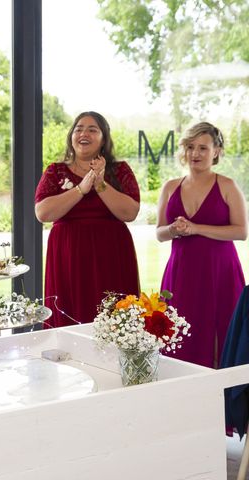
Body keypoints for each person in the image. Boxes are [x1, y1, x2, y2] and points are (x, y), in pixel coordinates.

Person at [34, 111, 140, 328]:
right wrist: (81, 189)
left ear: (103, 139)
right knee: (69, 311)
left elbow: (129, 213)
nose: (84, 133)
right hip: (67, 254)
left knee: (113, 317)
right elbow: (43, 213)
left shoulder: (119, 170)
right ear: (71, 136)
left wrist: (100, 184)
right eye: (79, 128)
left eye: (93, 130)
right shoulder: (55, 171)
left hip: (111, 254)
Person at [157, 122, 247, 368]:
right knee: (179, 335)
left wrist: (196, 229)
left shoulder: (227, 185)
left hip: (220, 271)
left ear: (216, 151)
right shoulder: (170, 187)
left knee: (222, 333)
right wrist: (173, 230)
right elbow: (160, 233)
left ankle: (223, 396)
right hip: (182, 271)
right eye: (190, 147)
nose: (194, 154)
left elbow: (241, 231)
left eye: (202, 148)